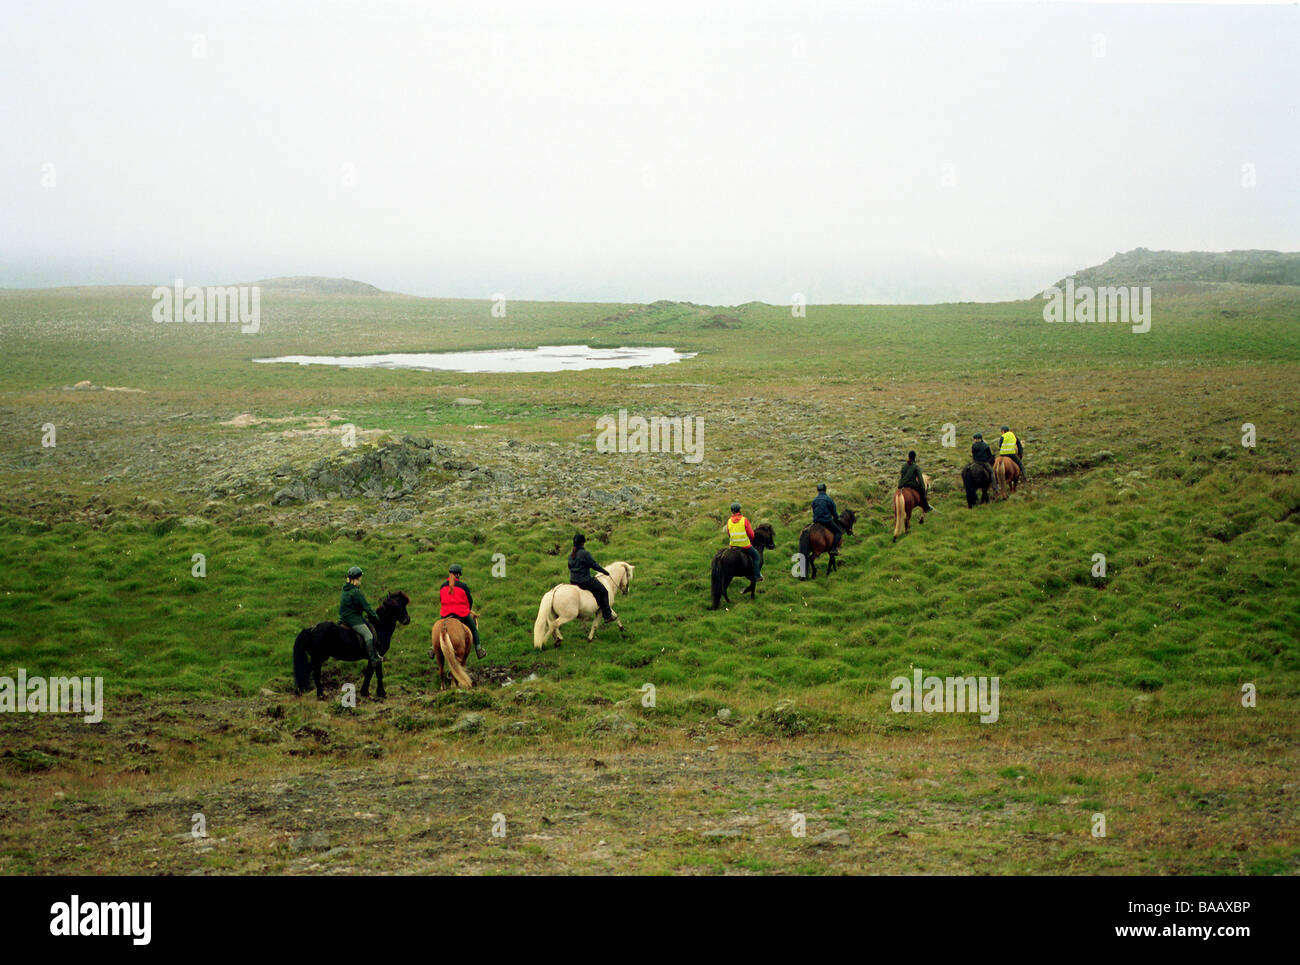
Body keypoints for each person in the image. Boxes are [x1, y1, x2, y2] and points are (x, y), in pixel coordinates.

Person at [568, 534, 618, 624]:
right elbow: (594, 565)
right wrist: (605, 572)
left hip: (573, 580)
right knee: (603, 591)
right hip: (584, 581)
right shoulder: (585, 554)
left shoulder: (571, 555)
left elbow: (570, 566)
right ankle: (607, 616)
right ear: (583, 543)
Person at [439, 564, 485, 659]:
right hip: (461, 613)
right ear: (458, 574)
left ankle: (432, 648)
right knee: (473, 629)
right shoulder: (463, 586)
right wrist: (468, 610)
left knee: (439, 628)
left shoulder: (442, 586)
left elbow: (441, 600)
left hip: (445, 613)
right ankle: (478, 649)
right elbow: (469, 600)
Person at [339, 565, 381, 667]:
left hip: (343, 618)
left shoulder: (345, 588)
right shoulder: (355, 592)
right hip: (353, 619)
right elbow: (366, 607)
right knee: (368, 635)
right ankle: (372, 659)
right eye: (360, 578)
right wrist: (376, 617)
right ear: (355, 579)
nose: (361, 580)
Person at [724, 501, 763, 582]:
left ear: (732, 511)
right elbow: (751, 534)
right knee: (757, 556)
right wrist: (750, 540)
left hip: (733, 546)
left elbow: (729, 533)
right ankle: (757, 575)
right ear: (739, 510)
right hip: (745, 546)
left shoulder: (729, 521)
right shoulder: (744, 520)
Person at [811, 483, 843, 550]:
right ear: (825, 489)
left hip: (816, 521)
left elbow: (814, 510)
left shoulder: (814, 500)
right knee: (839, 532)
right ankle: (834, 549)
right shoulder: (828, 499)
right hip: (826, 521)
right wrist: (837, 518)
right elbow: (833, 511)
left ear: (818, 490)